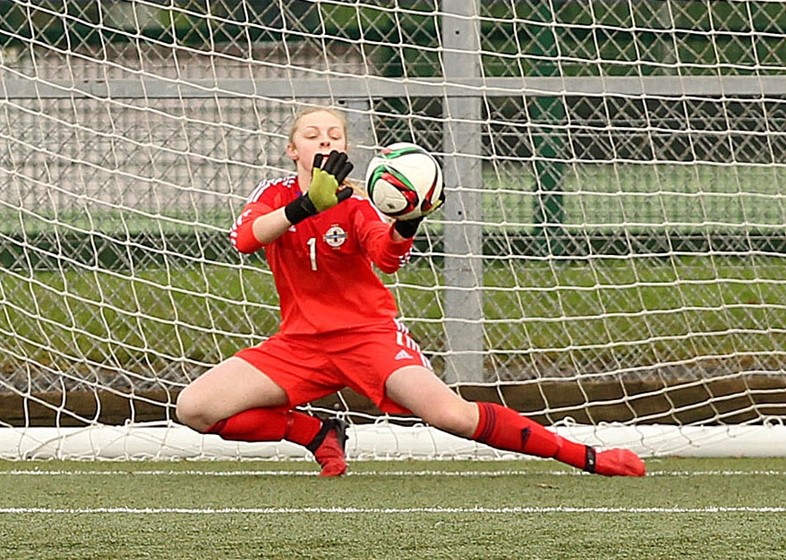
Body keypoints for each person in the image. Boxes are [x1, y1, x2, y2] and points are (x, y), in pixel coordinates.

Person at [175, 106, 646, 478]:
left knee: (452, 416)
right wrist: (305, 206)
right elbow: (245, 239)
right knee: (195, 409)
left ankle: (584, 455)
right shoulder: (276, 195)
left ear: (346, 147)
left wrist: (409, 221)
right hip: (300, 343)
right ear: (291, 150)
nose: (324, 140)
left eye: (334, 135)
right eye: (312, 134)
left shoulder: (359, 201)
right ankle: (317, 433)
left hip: (368, 336)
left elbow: (387, 258)